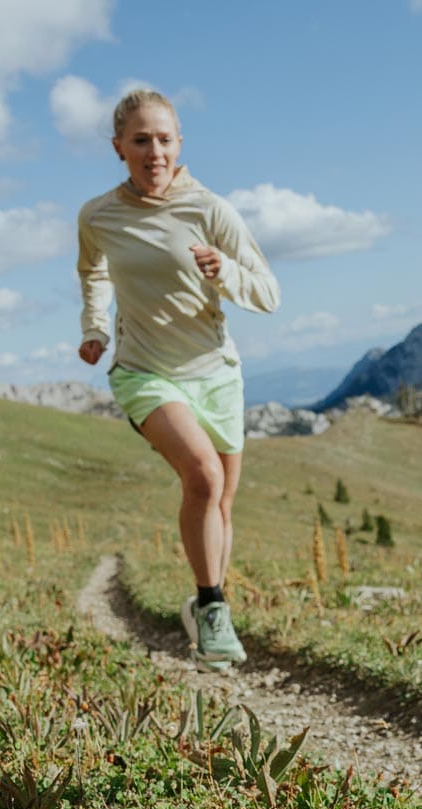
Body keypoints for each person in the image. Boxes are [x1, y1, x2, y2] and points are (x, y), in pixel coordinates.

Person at [77, 88, 280, 669]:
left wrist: (225, 272)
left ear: (180, 143)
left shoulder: (210, 210)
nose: (154, 152)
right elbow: (92, 272)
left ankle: (204, 604)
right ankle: (214, 607)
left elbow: (268, 293)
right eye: (141, 140)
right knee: (204, 478)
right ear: (119, 147)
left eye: (164, 139)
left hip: (215, 373)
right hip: (144, 371)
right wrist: (95, 327)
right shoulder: (98, 216)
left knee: (221, 503)